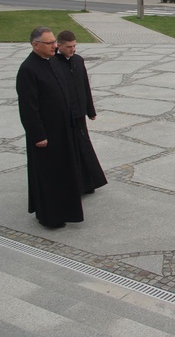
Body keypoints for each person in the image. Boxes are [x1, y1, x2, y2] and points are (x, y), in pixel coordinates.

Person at [16, 26, 83, 228]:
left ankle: (65, 210)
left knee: (64, 173)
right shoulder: (28, 69)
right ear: (36, 45)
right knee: (49, 177)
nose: (55, 45)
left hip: (63, 130)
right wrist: (38, 135)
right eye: (50, 43)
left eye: (55, 42)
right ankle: (50, 216)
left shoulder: (52, 62)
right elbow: (28, 107)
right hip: (45, 135)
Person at [55, 30, 107, 195]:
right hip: (65, 116)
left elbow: (85, 86)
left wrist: (90, 109)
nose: (73, 49)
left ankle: (89, 181)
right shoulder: (54, 63)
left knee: (84, 147)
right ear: (59, 45)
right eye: (69, 47)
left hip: (79, 113)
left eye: (74, 46)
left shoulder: (78, 60)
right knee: (71, 149)